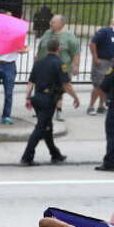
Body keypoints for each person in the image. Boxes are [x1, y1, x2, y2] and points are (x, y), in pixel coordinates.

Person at [21, 38, 79, 166]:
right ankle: (27, 157)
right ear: (58, 49)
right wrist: (75, 97)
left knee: (47, 127)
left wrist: (27, 98)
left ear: (47, 48)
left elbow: (31, 82)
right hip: (48, 100)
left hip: (37, 98)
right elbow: (66, 84)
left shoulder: (38, 63)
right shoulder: (60, 64)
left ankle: (55, 154)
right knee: (40, 128)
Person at [37, 15, 81, 123]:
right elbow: (41, 47)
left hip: (62, 67)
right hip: (45, 66)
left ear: (61, 24)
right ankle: (41, 109)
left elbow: (76, 52)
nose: (50, 24)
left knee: (60, 89)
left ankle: (58, 110)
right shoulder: (47, 33)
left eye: (53, 22)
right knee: (42, 87)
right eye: (51, 22)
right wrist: (37, 59)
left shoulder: (69, 36)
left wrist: (75, 66)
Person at [88, 18, 113, 116]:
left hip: (110, 63)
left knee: (106, 85)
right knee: (99, 85)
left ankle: (101, 106)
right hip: (102, 61)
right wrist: (95, 58)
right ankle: (91, 106)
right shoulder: (104, 31)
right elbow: (92, 43)